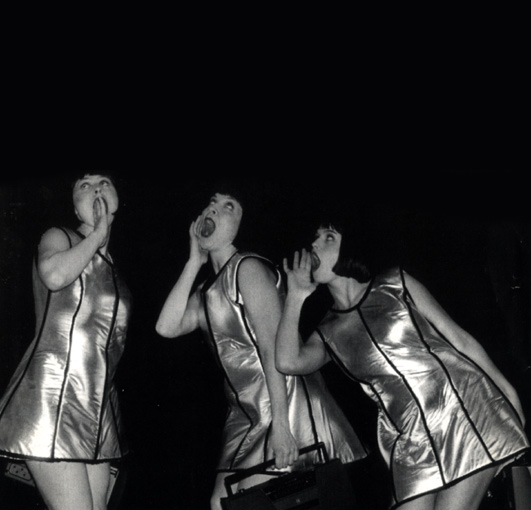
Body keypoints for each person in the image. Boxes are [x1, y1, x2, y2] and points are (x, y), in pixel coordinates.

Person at [275, 215, 530, 510]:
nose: (315, 244)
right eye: (316, 237)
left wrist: (507, 392)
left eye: (328, 237)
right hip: (410, 440)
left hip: (464, 411)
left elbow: (460, 340)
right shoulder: (329, 330)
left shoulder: (396, 283)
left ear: (350, 248)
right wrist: (295, 297)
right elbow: (288, 362)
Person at [155, 188, 367, 510]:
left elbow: (271, 348)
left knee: (239, 501)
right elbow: (166, 327)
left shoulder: (248, 268)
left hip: (280, 403)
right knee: (222, 502)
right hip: (245, 412)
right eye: (212, 203)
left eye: (229, 207)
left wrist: (281, 425)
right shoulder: (207, 289)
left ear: (241, 227)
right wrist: (194, 260)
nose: (214, 210)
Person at [0, 172, 132, 510]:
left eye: (104, 182)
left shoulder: (116, 270)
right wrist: (98, 233)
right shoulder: (59, 237)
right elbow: (56, 275)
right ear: (75, 208)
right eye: (84, 185)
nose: (96, 188)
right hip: (52, 397)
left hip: (97, 410)